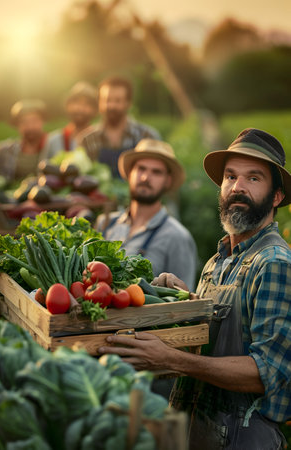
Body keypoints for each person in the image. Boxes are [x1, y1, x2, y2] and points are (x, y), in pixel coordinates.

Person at [98, 128, 291, 450]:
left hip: (243, 437)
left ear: (276, 196)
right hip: (194, 429)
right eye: (230, 177)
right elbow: (215, 341)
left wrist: (175, 359)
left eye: (253, 178)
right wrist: (182, 303)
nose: (237, 187)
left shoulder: (274, 263)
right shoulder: (218, 261)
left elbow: (268, 373)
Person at [96, 138, 197, 290]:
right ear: (130, 173)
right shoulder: (106, 222)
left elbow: (185, 304)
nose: (145, 178)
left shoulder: (177, 238)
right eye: (141, 169)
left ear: (168, 181)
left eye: (156, 172)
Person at [82, 76, 161, 177]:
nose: (111, 105)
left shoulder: (147, 136)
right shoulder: (88, 139)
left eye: (117, 101)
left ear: (128, 103)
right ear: (99, 103)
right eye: (106, 100)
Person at [0, 99, 48, 181]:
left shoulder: (53, 146)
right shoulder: (7, 150)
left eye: (34, 121)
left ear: (43, 121)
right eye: (24, 122)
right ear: (17, 125)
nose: (30, 126)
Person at [46, 81, 98, 158]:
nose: (80, 108)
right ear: (68, 106)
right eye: (76, 103)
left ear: (95, 110)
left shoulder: (100, 140)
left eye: (86, 104)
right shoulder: (53, 141)